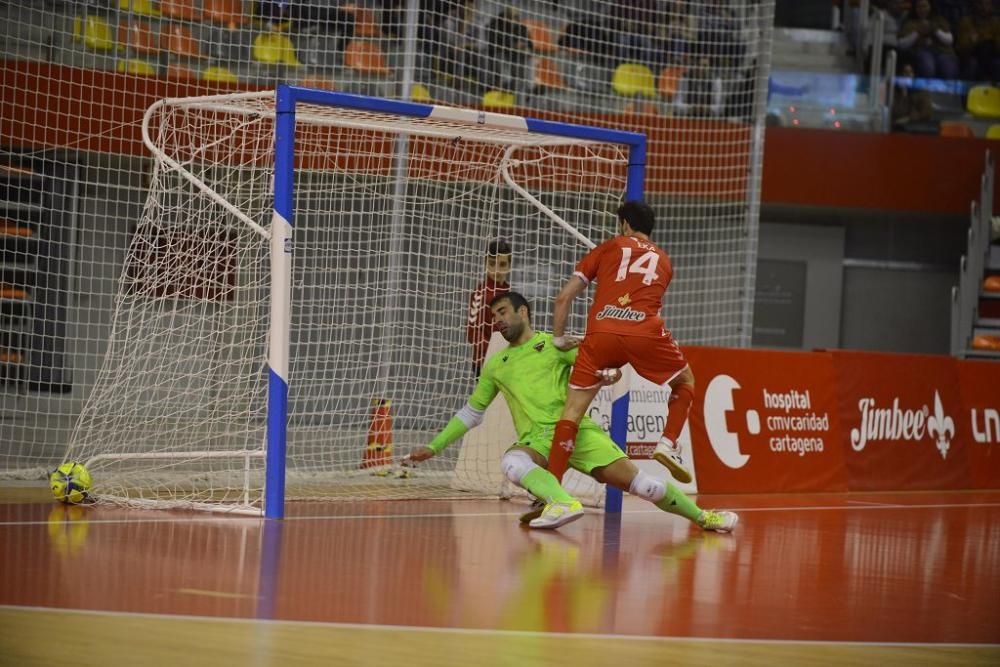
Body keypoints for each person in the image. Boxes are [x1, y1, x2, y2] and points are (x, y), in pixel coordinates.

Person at [406, 291, 738, 533]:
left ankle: (704, 518)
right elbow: (471, 413)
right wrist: (434, 447)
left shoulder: (555, 345)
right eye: (494, 316)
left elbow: (595, 366)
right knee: (512, 462)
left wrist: (608, 374)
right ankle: (560, 501)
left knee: (645, 486)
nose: (499, 321)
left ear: (523, 312)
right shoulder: (496, 365)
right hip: (538, 439)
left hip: (578, 431)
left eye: (504, 312)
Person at [545, 201, 695, 488]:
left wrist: (560, 339)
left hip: (600, 334)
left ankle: (550, 493)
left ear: (625, 223)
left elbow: (563, 298)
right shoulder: (665, 261)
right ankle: (667, 443)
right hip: (644, 333)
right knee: (686, 380)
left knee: (572, 413)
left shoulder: (609, 247)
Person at [467, 239, 511, 377]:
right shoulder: (481, 293)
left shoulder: (510, 292)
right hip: (485, 362)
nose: (497, 270)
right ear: (485, 263)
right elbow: (472, 332)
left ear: (509, 265)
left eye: (502, 264)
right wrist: (493, 351)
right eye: (492, 264)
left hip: (507, 362)